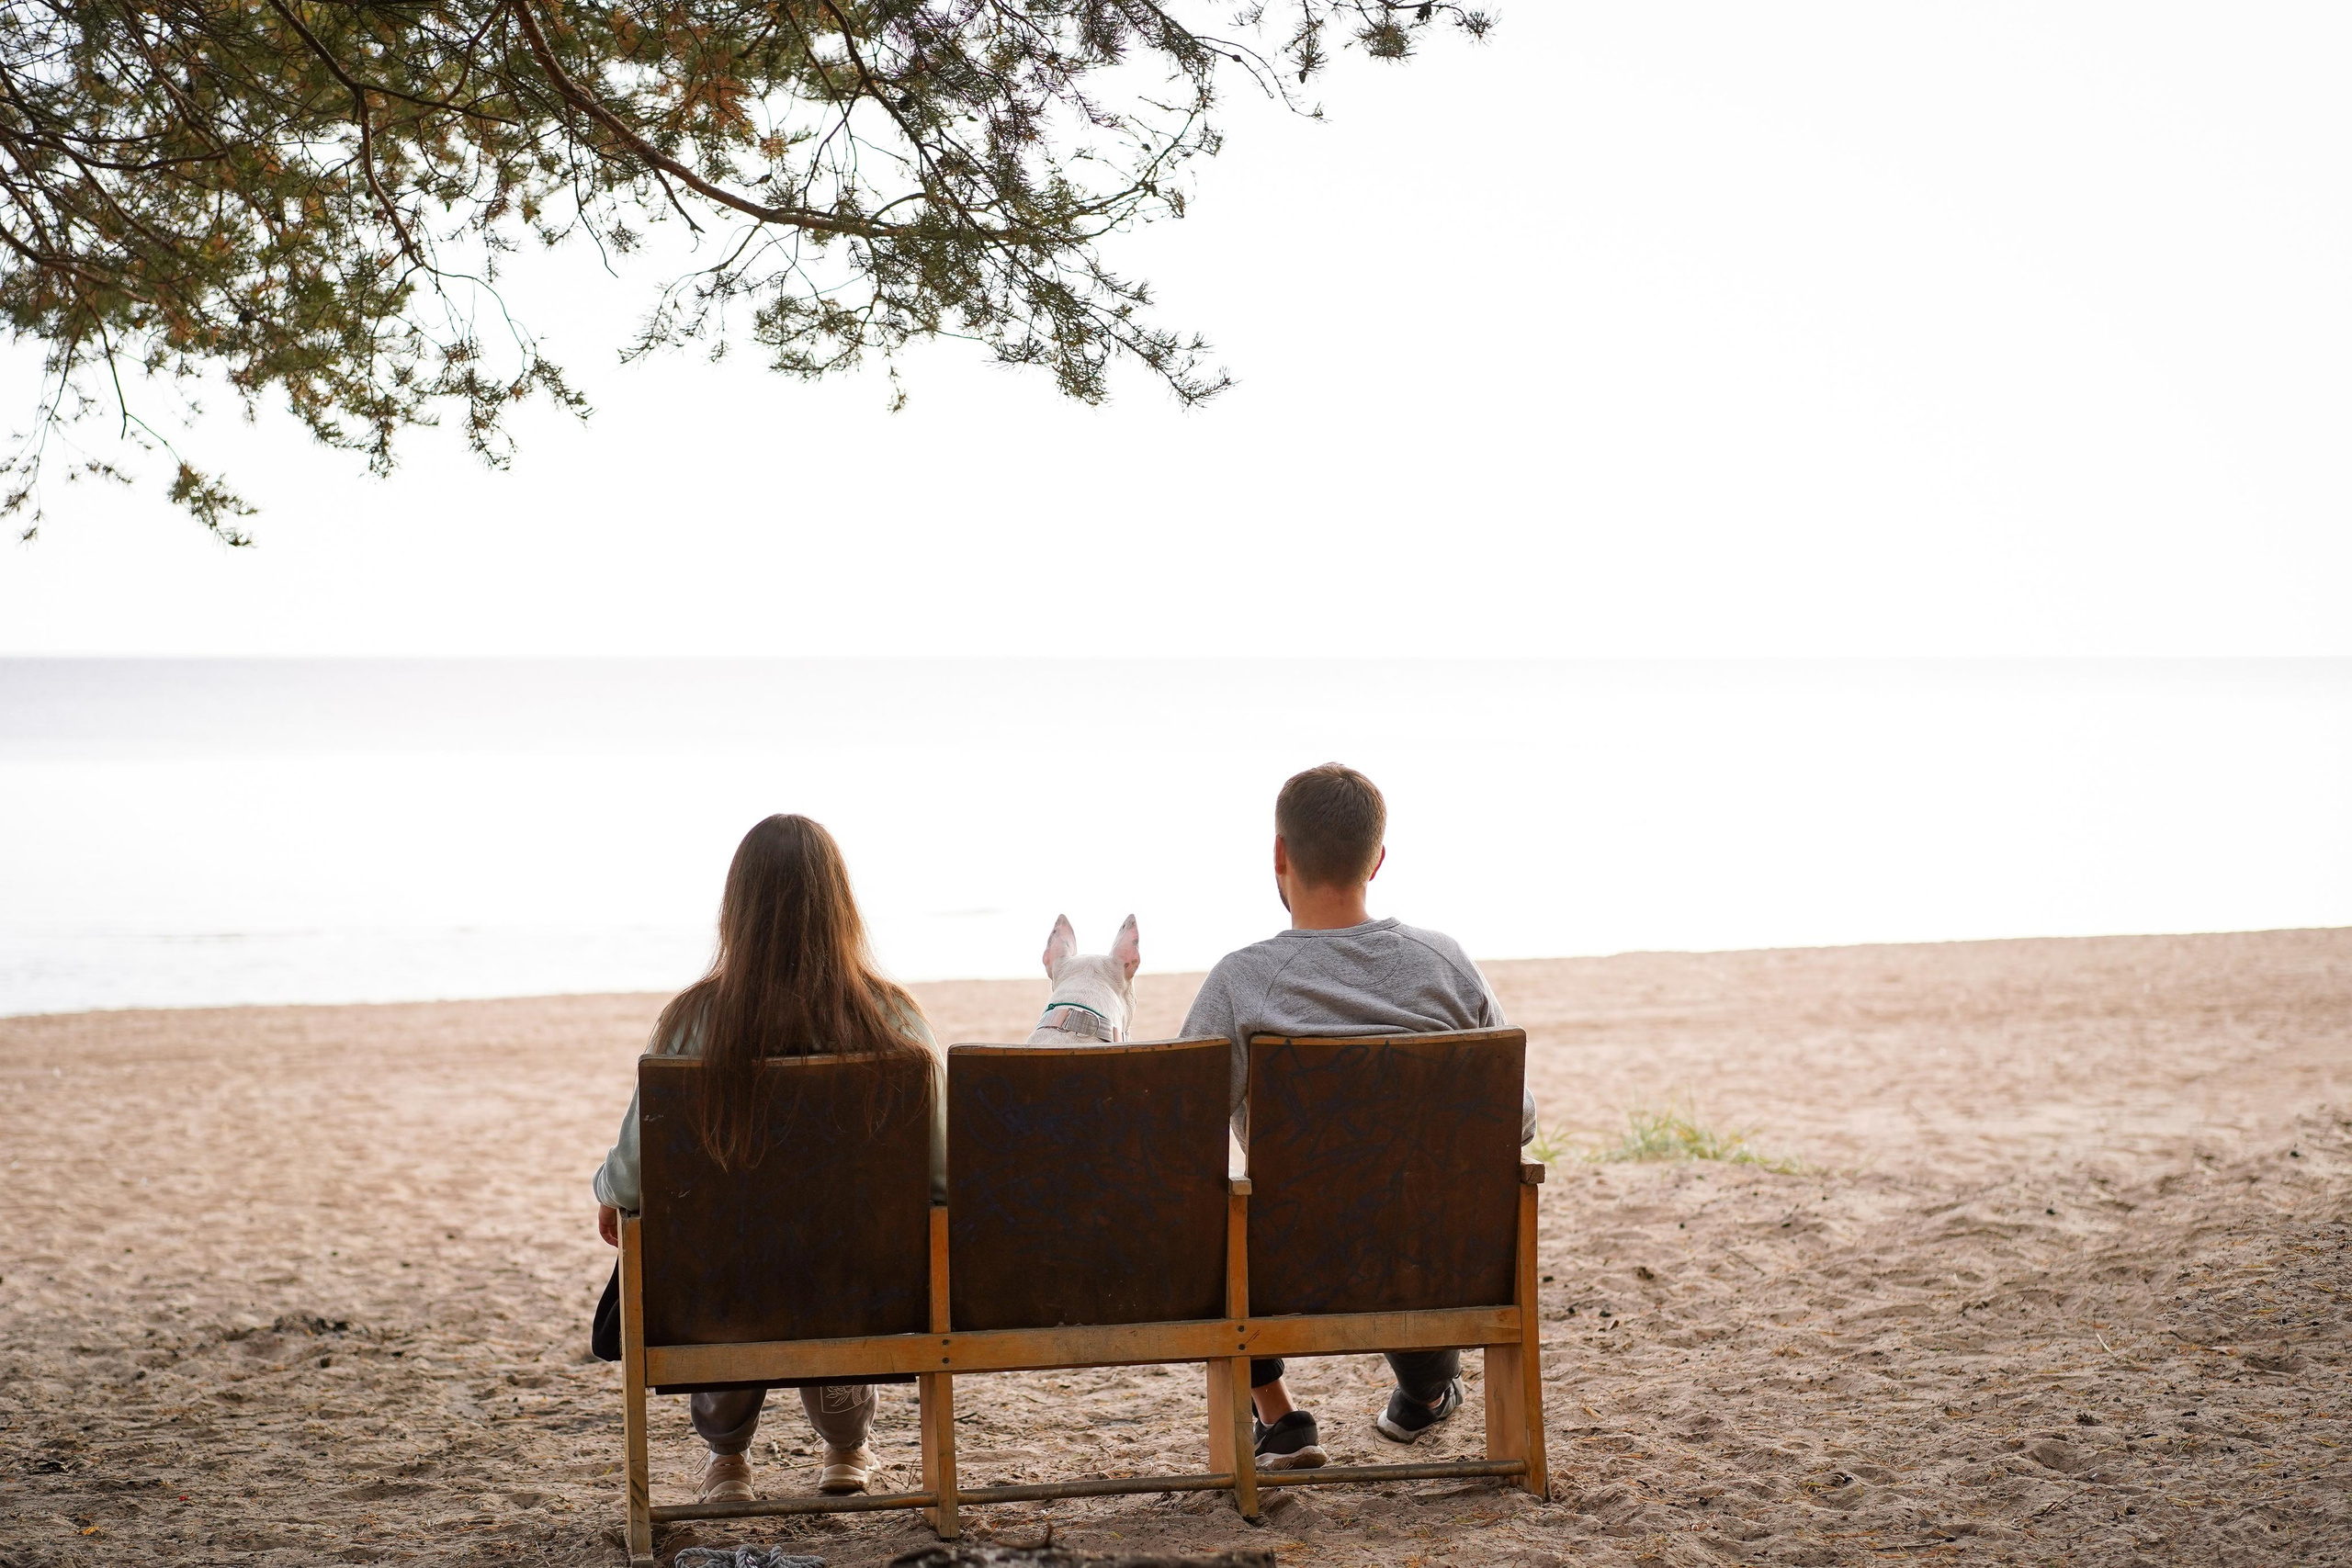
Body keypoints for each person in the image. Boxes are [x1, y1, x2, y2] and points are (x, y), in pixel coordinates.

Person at [1181, 763, 1538, 1472]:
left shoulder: (1242, 980)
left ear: (1280, 856)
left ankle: (1280, 1418)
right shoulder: (1446, 963)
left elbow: (1176, 1131)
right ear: (1377, 859)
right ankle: (1427, 1395)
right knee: (1410, 1209)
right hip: (1440, 1264)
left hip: (1292, 1267)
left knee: (1205, 1210)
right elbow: (1517, 1118)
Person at [592, 814, 945, 1505]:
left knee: (723, 1250)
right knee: (834, 1247)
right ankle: (846, 1445)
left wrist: (610, 1193)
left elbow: (633, 1176)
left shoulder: (693, 1022)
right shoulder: (894, 1019)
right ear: (842, 907)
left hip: (723, 1289)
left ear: (736, 911)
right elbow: (939, 1173)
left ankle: (727, 1459)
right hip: (858, 1286)